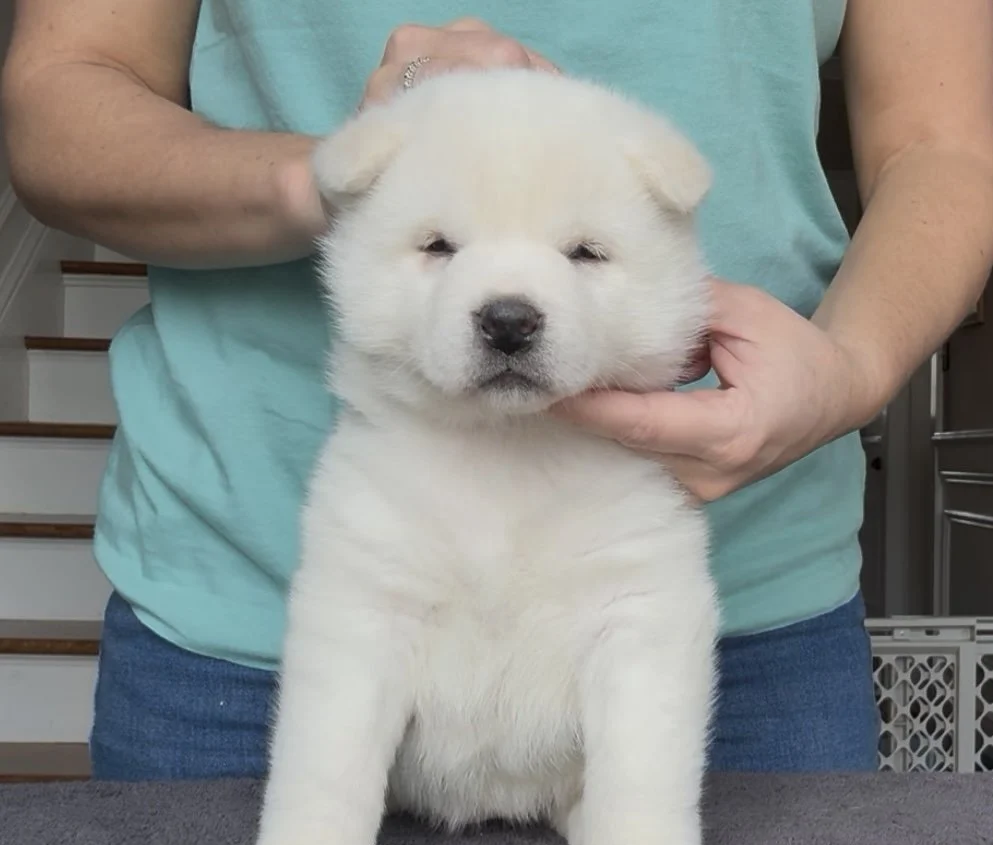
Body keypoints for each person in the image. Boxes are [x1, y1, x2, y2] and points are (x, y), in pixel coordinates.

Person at [4, 1, 991, 780]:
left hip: (726, 609)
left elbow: (946, 147)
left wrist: (852, 369)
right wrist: (341, 180)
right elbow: (63, 93)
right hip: (258, 613)